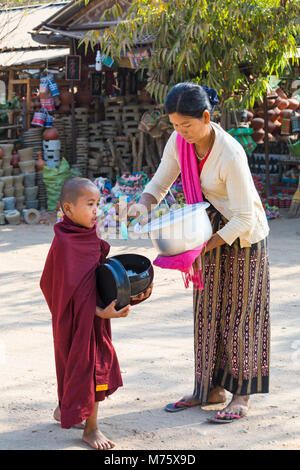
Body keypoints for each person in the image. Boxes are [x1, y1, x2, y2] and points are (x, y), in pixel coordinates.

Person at [128, 83, 270, 423]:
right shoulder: (179, 143)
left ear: (206, 117)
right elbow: (160, 183)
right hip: (205, 229)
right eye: (175, 125)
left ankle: (240, 396)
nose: (181, 132)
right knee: (206, 313)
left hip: (242, 236)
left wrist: (200, 247)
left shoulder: (230, 153)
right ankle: (208, 389)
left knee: (240, 315)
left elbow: (244, 217)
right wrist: (143, 204)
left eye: (187, 125)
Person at [40, 177, 151, 449]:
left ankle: (63, 409)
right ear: (67, 209)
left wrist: (127, 292)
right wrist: (100, 312)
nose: (96, 210)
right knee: (89, 367)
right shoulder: (66, 243)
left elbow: (97, 277)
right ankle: (91, 429)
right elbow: (61, 286)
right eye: (90, 204)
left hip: (88, 318)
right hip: (78, 320)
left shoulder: (86, 235)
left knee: (75, 364)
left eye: (98, 204)